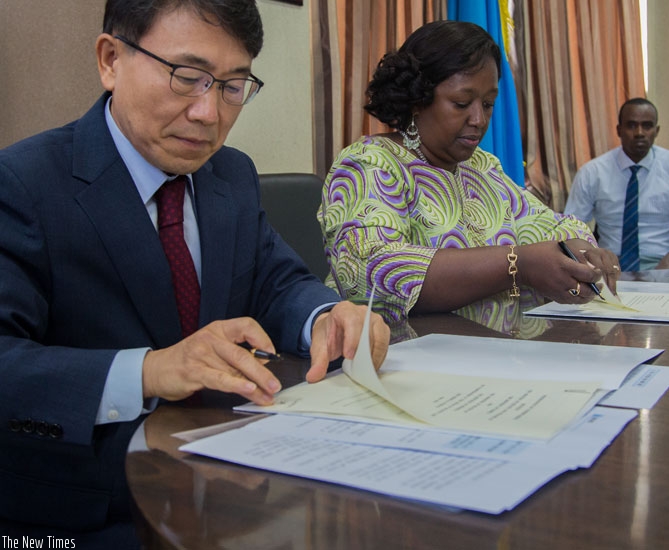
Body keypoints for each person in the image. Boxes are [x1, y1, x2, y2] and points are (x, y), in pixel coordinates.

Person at [0, 0, 389, 545]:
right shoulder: (23, 184)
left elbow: (275, 282)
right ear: (111, 59)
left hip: (234, 485)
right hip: (85, 513)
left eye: (233, 86)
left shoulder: (230, 173)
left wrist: (325, 317)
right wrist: (150, 371)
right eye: (187, 78)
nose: (209, 113)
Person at [318, 20, 619, 324]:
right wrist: (517, 264)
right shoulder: (370, 163)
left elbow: (550, 227)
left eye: (488, 104)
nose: (478, 119)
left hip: (497, 356)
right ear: (417, 100)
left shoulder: (482, 168)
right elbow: (371, 272)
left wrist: (580, 250)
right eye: (461, 103)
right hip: (407, 358)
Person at [564, 98, 669, 270]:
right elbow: (570, 230)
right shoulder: (592, 172)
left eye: (647, 126)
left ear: (656, 131)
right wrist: (590, 258)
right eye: (632, 125)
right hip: (610, 266)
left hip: (665, 264)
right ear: (619, 130)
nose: (639, 132)